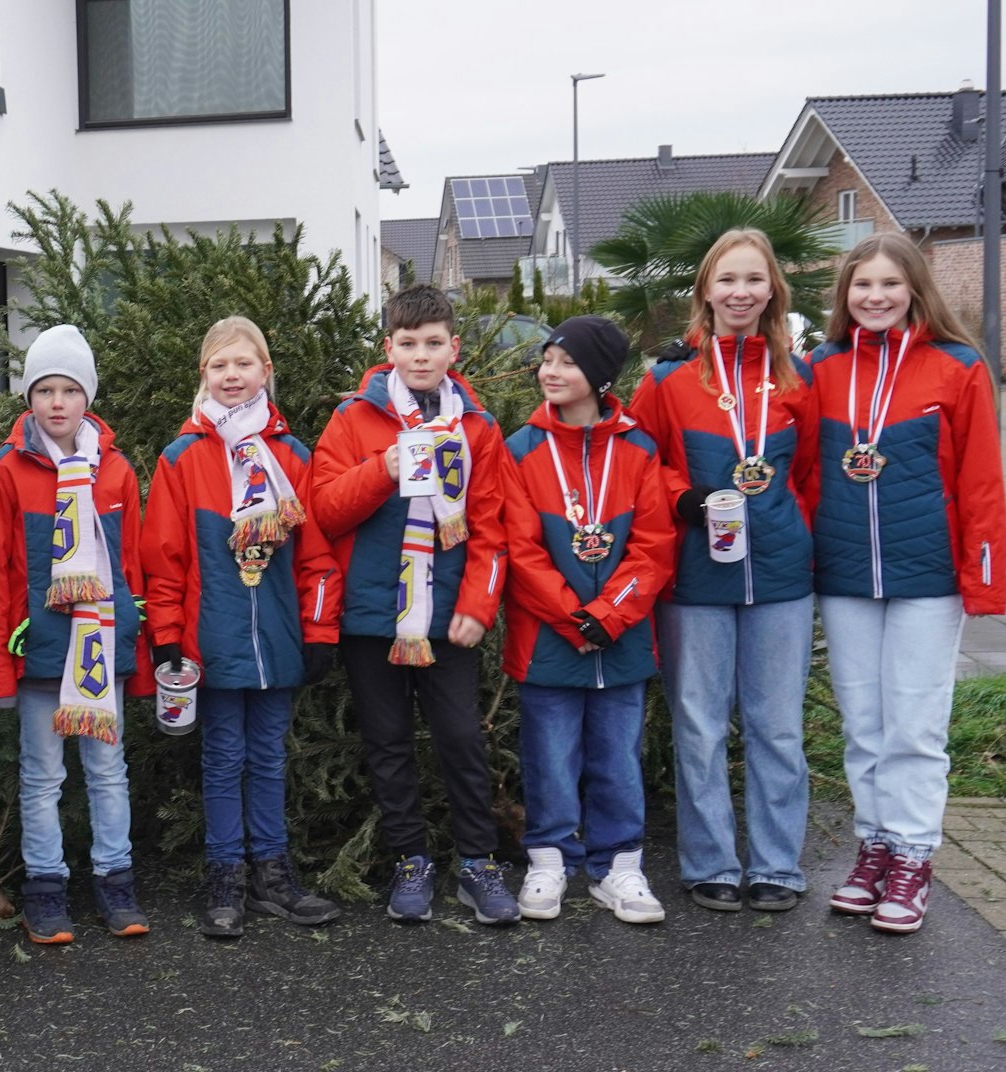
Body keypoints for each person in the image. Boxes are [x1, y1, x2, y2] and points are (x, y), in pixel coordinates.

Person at [807, 235, 1005, 933]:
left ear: (915, 288)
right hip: (844, 574)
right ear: (845, 294)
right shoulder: (822, 366)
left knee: (915, 726)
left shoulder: (957, 367)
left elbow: (982, 479)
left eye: (890, 284)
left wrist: (985, 580)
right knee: (864, 724)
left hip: (928, 576)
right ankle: (875, 848)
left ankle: (914, 856)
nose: (876, 297)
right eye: (863, 285)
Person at [309, 285, 517, 926]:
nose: (421, 355)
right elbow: (324, 509)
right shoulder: (353, 419)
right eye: (408, 344)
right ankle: (410, 860)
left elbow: (493, 524)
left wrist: (479, 604)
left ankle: (479, 862)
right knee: (388, 742)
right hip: (373, 616)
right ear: (388, 349)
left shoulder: (477, 427)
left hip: (447, 615)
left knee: (461, 738)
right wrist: (385, 467)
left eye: (433, 343)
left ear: (454, 348)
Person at [627, 228, 819, 914]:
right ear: (705, 290)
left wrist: (793, 536)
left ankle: (776, 865)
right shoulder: (668, 380)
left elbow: (808, 473)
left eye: (754, 279)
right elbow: (639, 465)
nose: (741, 292)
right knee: (700, 725)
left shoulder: (799, 378)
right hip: (696, 578)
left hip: (780, 578)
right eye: (728, 279)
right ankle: (710, 862)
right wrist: (685, 497)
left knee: (777, 727)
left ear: (773, 291)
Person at [141, 316, 343, 938]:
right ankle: (226, 875)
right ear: (203, 374)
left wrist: (320, 632)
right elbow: (164, 559)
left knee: (269, 758)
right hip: (213, 641)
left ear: (266, 371)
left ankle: (273, 875)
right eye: (219, 365)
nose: (232, 375)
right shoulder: (181, 459)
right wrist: (167, 637)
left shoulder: (293, 457)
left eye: (244, 363)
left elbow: (316, 558)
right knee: (224, 757)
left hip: (279, 638)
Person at [0, 325, 153, 944]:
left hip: (101, 651)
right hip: (41, 653)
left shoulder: (115, 471)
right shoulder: (3, 471)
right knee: (43, 776)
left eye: (70, 390)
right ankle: (46, 890)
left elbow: (132, 570)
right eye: (44, 389)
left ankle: (116, 881)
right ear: (29, 397)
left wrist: (137, 649)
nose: (57, 402)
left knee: (108, 770)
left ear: (87, 397)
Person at [500, 316, 675, 924]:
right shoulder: (521, 449)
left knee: (618, 758)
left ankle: (619, 867)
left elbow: (653, 546)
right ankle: (548, 861)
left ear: (599, 377)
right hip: (547, 640)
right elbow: (520, 550)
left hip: (622, 641)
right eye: (547, 359)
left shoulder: (638, 450)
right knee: (549, 757)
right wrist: (576, 618)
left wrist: (610, 615)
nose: (550, 371)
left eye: (567, 362)